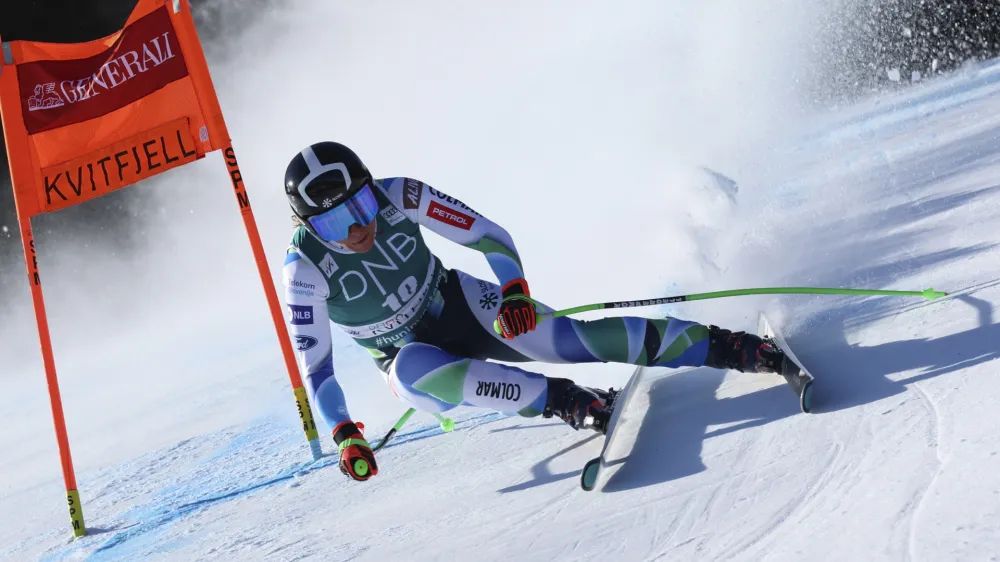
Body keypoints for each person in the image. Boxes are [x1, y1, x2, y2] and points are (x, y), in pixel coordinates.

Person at [281, 141, 792, 482]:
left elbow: (488, 235)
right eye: (334, 224)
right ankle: (567, 401)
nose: (357, 229)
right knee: (414, 369)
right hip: (408, 362)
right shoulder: (304, 269)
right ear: (308, 226)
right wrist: (345, 434)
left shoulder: (398, 194)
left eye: (361, 207)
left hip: (457, 302)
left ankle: (731, 347)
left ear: (371, 190)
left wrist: (514, 292)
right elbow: (317, 370)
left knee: (571, 341)